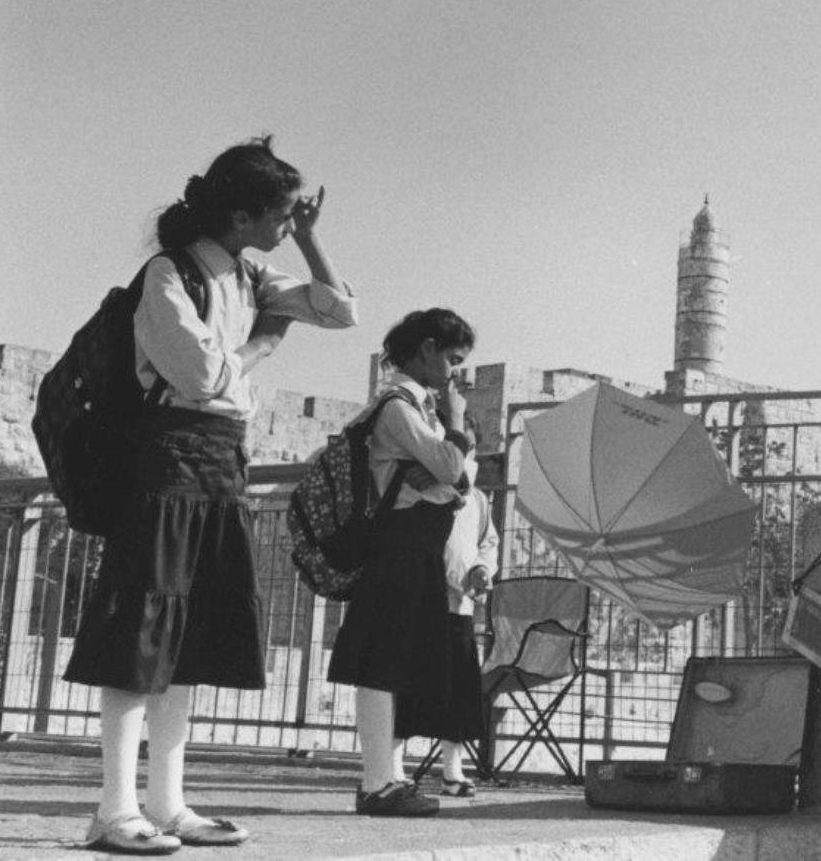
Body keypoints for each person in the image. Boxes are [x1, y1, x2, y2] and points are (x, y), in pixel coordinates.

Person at [64, 137, 358, 854]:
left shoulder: (249, 273)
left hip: (219, 465)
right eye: (286, 214)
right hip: (167, 465)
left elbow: (338, 310)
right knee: (145, 629)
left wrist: (314, 243)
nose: (290, 224)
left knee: (186, 635)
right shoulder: (170, 274)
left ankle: (167, 803)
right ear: (242, 212)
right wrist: (261, 346)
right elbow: (198, 375)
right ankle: (113, 807)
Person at [326, 308, 478, 817]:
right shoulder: (397, 405)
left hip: (420, 545)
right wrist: (453, 438)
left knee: (398, 660)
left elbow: (461, 480)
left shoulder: (419, 408)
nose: (455, 371)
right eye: (452, 359)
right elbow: (454, 467)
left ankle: (387, 778)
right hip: (401, 543)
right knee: (383, 660)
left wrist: (444, 470)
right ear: (428, 348)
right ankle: (376, 783)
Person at [393, 463, 498, 797]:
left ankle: (453, 772)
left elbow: (488, 542)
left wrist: (482, 568)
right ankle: (392, 770)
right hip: (418, 600)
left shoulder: (479, 500)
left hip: (460, 606)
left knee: (459, 690)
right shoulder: (419, 489)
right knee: (405, 687)